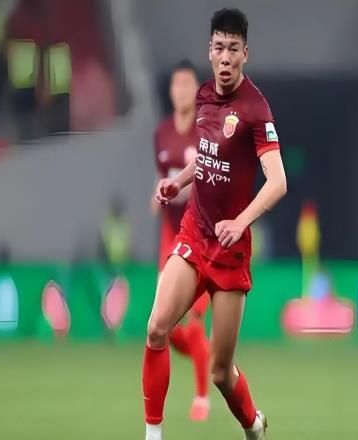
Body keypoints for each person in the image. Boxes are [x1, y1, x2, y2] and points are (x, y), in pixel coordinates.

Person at [142, 8, 287, 439]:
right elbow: (206, 159)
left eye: (233, 49)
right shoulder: (205, 95)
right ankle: (152, 435)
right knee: (156, 328)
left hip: (230, 251)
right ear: (210, 51)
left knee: (221, 371)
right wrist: (177, 182)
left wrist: (240, 222)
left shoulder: (256, 109)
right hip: (194, 233)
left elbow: (278, 182)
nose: (225, 57)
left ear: (245, 54)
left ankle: (253, 425)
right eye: (219, 48)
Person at [151, 59, 211, 422]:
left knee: (195, 320)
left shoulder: (206, 133)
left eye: (188, 84)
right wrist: (157, 194)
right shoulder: (161, 134)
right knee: (164, 326)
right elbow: (163, 176)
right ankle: (207, 354)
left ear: (196, 90)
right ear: (171, 90)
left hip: (200, 235)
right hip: (170, 234)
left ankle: (202, 396)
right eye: (177, 84)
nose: (182, 91)